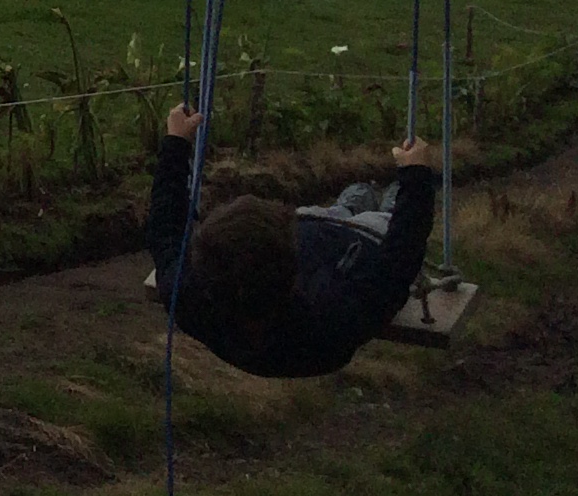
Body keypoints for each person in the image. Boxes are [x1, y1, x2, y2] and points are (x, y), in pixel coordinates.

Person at [147, 102, 438, 377]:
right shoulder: (334, 318)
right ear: (294, 258)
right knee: (385, 205)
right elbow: (400, 257)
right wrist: (416, 175)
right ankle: (378, 199)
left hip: (320, 226)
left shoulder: (187, 296)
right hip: (362, 239)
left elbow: (165, 222)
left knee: (355, 196)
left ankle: (357, 199)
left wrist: (176, 142)